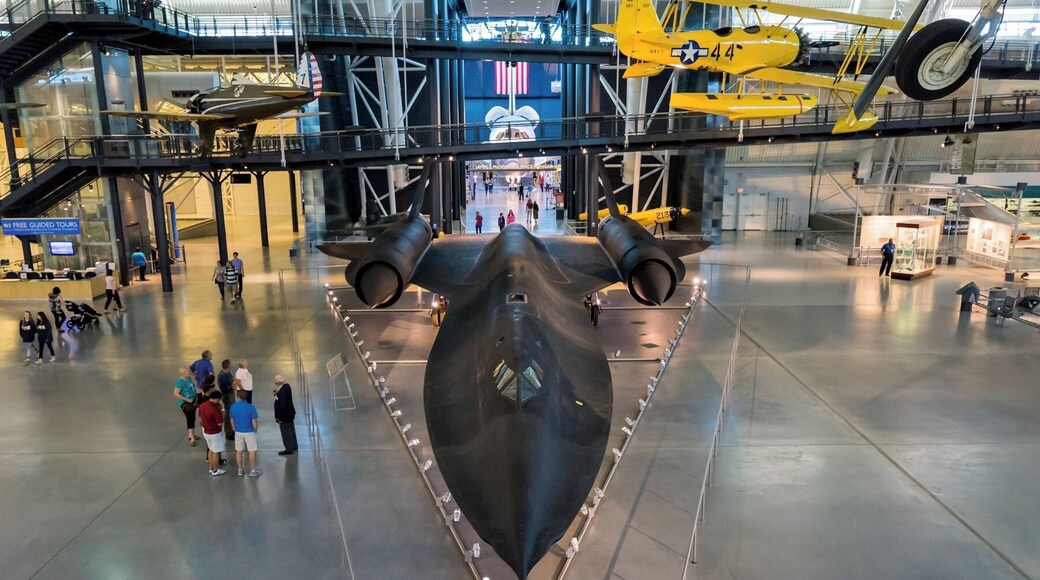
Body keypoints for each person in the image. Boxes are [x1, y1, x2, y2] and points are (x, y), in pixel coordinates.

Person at [229, 389, 261, 477]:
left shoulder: (233, 407)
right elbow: (254, 421)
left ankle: (240, 469)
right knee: (251, 451)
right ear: (246, 396)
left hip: (238, 431)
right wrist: (255, 430)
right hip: (249, 432)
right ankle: (253, 470)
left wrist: (234, 428)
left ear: (238, 396)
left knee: (239, 451)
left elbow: (232, 419)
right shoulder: (251, 407)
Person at [199, 391, 227, 476]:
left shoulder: (202, 405)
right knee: (216, 451)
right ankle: (215, 470)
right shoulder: (215, 409)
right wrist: (223, 414)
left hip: (206, 431)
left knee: (210, 449)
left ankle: (211, 468)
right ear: (218, 399)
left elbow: (200, 418)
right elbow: (220, 423)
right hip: (215, 433)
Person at [273, 374, 298, 456]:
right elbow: (282, 393)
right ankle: (294, 445)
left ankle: (288, 448)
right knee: (291, 429)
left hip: (285, 416)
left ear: (277, 383)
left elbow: (282, 405)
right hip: (290, 413)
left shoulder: (281, 394)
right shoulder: (287, 386)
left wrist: (280, 417)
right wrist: (277, 393)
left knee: (285, 432)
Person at [173, 367, 198, 447]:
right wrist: (186, 399)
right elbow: (176, 393)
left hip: (192, 401)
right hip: (186, 403)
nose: (188, 373)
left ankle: (191, 435)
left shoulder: (189, 378)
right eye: (187, 372)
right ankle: (192, 438)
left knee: (192, 418)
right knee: (190, 418)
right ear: (183, 373)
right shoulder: (180, 382)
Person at [217, 359, 235, 440]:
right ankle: (229, 432)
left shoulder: (226, 373)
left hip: (229, 394)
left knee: (231, 411)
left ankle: (231, 429)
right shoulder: (223, 375)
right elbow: (231, 385)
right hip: (227, 395)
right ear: (227, 366)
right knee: (229, 412)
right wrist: (234, 382)